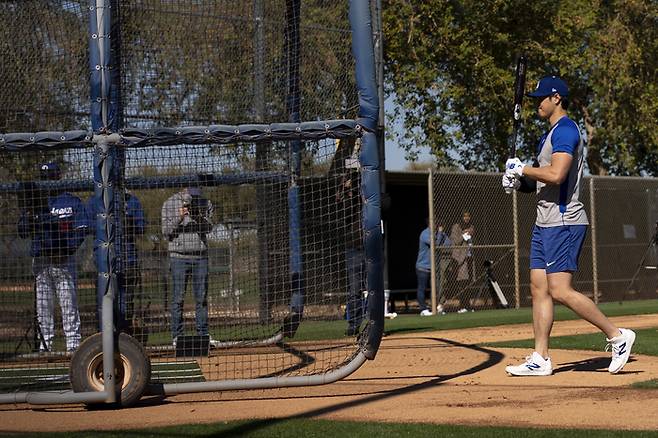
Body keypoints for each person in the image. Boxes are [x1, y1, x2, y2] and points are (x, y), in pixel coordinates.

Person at [503, 75, 635, 376]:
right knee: (539, 290)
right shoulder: (550, 134)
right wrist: (519, 182)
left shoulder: (565, 131)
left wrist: (522, 168)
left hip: (563, 220)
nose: (537, 102)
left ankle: (617, 336)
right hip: (545, 220)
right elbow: (543, 182)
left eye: (541, 98)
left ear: (556, 99)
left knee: (559, 290)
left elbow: (558, 175)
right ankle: (540, 357)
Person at [17, 163, 88, 352]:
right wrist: (32, 216)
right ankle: (44, 345)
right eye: (43, 176)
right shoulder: (35, 200)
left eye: (50, 176)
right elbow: (22, 230)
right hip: (41, 261)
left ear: (58, 177)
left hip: (63, 261)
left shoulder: (70, 200)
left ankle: (73, 344)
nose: (46, 179)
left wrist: (67, 250)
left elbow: (82, 230)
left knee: (69, 304)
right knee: (43, 306)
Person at [161, 187, 215, 346]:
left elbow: (210, 228)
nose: (194, 199)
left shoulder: (206, 203)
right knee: (178, 299)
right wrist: (179, 217)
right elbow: (165, 231)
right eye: (191, 196)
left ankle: (203, 334)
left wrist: (198, 217)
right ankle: (177, 336)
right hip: (178, 257)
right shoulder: (169, 203)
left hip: (200, 256)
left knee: (202, 299)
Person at [88, 190, 145, 333]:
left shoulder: (132, 200)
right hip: (104, 261)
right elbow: (87, 227)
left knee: (125, 303)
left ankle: (124, 336)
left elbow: (142, 227)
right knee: (104, 302)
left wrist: (130, 222)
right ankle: (104, 337)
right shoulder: (95, 200)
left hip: (128, 259)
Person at [336, 171, 365, 336]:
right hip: (354, 249)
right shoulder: (347, 200)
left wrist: (364, 193)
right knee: (355, 290)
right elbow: (341, 207)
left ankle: (374, 324)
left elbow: (386, 203)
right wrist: (346, 188)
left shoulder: (371, 197)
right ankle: (354, 324)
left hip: (372, 248)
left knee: (374, 288)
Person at [415, 218, 451, 316]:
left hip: (434, 267)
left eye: (437, 223)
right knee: (422, 288)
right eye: (434, 223)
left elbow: (448, 243)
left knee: (435, 288)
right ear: (429, 224)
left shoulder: (439, 234)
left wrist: (441, 234)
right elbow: (436, 244)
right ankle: (423, 309)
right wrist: (440, 234)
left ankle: (434, 307)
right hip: (423, 266)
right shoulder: (425, 234)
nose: (436, 225)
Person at [449, 211, 476, 312]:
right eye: (465, 216)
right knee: (462, 282)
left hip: (469, 256)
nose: (467, 218)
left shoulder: (471, 227)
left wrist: (470, 234)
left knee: (468, 282)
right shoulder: (456, 227)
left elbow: (472, 240)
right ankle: (462, 306)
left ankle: (467, 305)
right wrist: (464, 235)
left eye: (468, 216)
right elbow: (455, 241)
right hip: (460, 258)